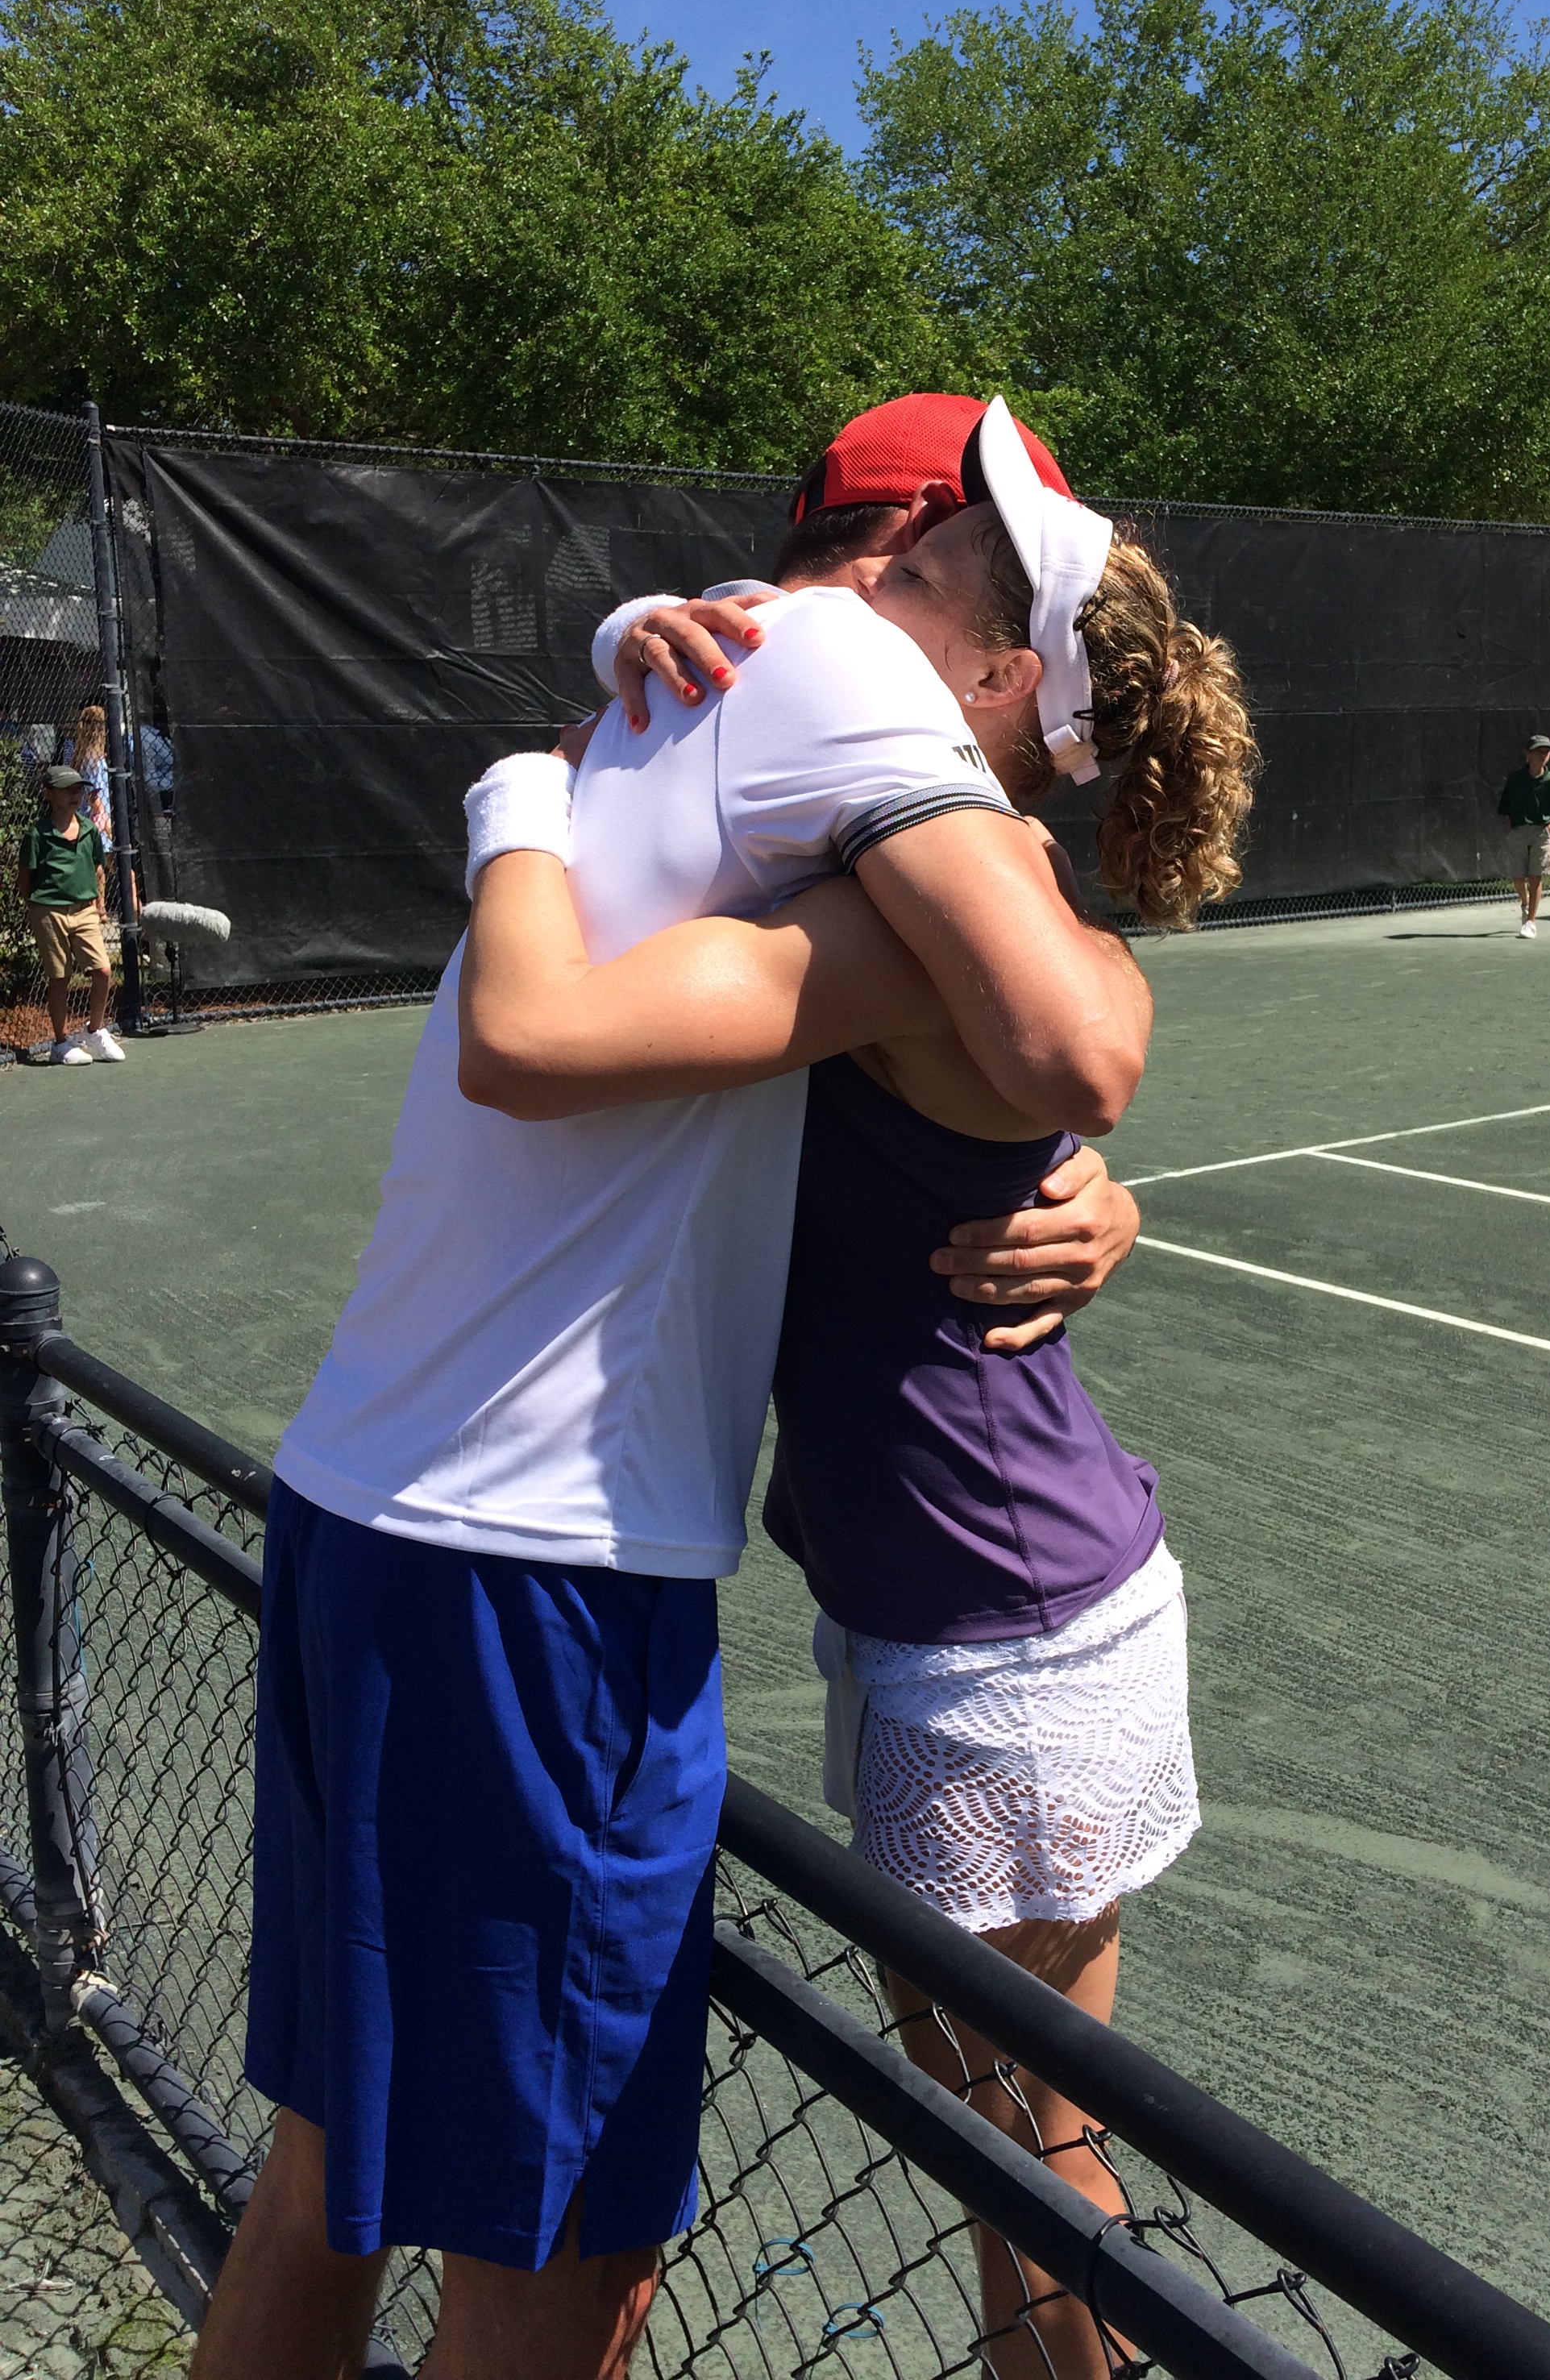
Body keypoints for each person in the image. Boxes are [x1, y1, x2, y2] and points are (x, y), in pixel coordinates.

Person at [190, 396, 1149, 2380]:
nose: (999, 686)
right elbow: (1068, 1033)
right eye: (1007, 622)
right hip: (534, 1575)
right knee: (561, 2266)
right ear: (912, 546)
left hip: (370, 1511)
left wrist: (1080, 1193)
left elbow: (980, 1088)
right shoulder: (825, 661)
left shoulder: (668, 688)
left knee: (326, 2188)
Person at [461, 397, 1256, 2380]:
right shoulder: (895, 876)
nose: (845, 611)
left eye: (909, 575)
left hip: (1015, 1626)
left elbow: (1077, 1041)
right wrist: (635, 628)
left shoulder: (937, 916)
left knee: (1025, 2146)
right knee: (994, 2135)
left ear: (996, 683)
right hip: (953, 1606)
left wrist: (1109, 1188)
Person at [16, 763, 124, 1064]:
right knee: (60, 977)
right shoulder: (36, 834)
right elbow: (25, 879)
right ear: (48, 794)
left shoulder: (90, 830)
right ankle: (61, 1044)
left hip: (86, 910)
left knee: (102, 970)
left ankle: (95, 1030)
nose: (76, 794)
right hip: (48, 912)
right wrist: (40, 908)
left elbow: (98, 867)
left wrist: (98, 904)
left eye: (79, 789)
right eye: (67, 789)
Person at [1498, 733, 1550, 939]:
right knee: (1518, 878)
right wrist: (1511, 831)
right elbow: (1506, 808)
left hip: (1541, 834)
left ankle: (1531, 922)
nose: (1542, 756)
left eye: (1546, 753)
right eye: (1538, 752)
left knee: (1536, 876)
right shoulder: (1516, 780)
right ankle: (1525, 904)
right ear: (1527, 755)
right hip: (1519, 831)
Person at [62, 701, 112, 840]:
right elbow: (94, 798)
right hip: (99, 824)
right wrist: (110, 833)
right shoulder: (96, 761)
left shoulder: (80, 757)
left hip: (83, 819)